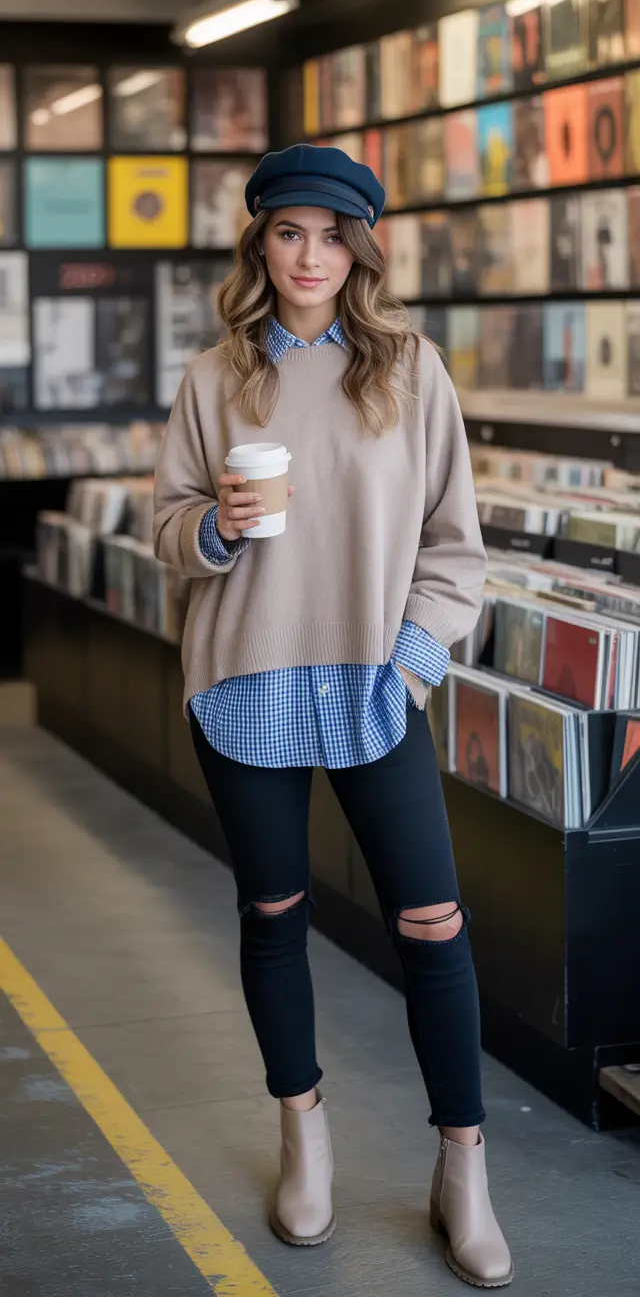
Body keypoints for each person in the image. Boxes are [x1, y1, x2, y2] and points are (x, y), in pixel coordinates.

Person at [153, 144, 513, 1289]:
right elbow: (165, 525)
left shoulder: (411, 370)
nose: (310, 255)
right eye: (287, 232)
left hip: (371, 687)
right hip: (245, 682)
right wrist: (210, 523)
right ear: (259, 242)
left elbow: (457, 555)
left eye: (332, 233)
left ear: (363, 244)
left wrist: (404, 668)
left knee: (434, 926)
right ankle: (300, 1132)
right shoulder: (214, 378)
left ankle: (464, 1168)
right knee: (273, 912)